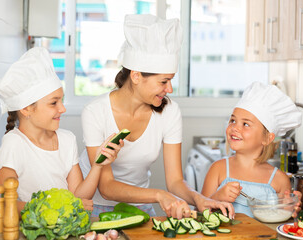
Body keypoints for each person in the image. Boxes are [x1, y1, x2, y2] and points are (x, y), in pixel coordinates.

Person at [79, 14, 234, 219]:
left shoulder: (169, 111)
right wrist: (159, 195)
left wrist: (198, 198)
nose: (169, 89)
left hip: (140, 206)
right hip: (94, 207)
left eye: (171, 81)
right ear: (136, 76)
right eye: (163, 81)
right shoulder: (95, 112)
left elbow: (175, 181)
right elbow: (106, 187)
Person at [0, 47, 122, 214]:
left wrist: (98, 165)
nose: (63, 108)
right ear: (27, 109)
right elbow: (5, 204)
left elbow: (78, 196)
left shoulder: (67, 139)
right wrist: (58, 208)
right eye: (54, 103)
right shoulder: (14, 143)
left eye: (62, 101)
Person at [201, 81, 302, 218]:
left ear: (267, 138)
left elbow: (282, 221)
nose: (235, 127)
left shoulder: (279, 180)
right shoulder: (218, 169)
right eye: (233, 121)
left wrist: (290, 209)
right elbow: (200, 214)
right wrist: (217, 198)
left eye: (246, 124)